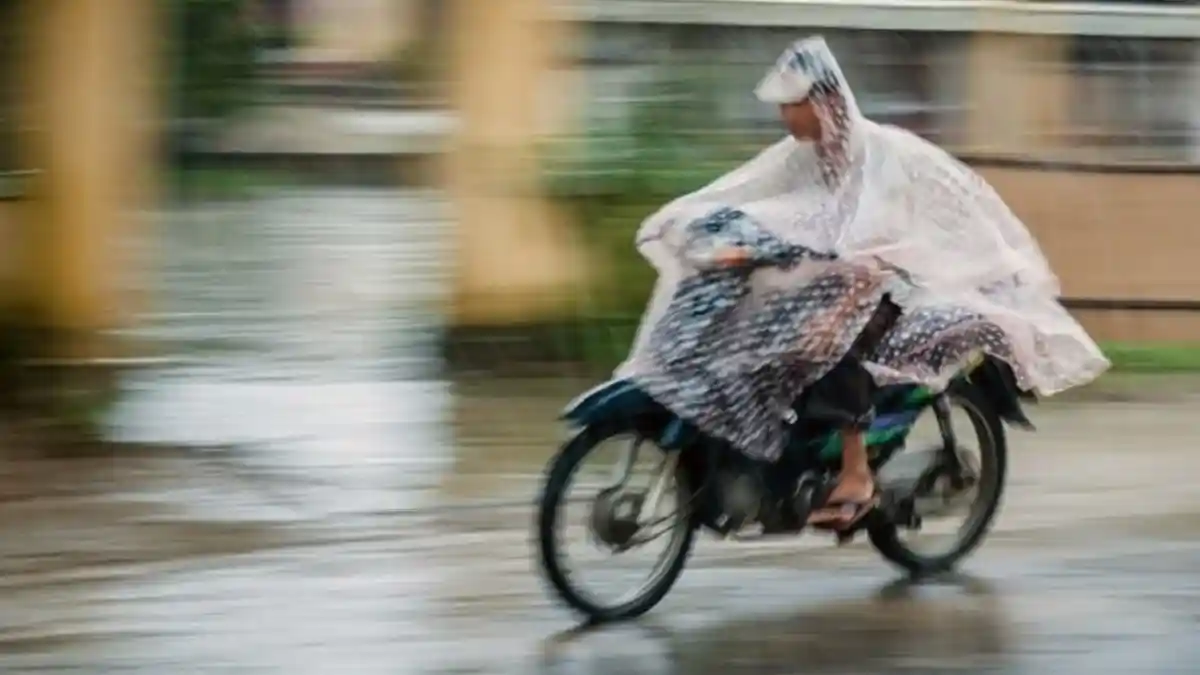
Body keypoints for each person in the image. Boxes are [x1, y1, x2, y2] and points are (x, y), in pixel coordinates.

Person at [617, 36, 1110, 530]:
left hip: (902, 285)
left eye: (795, 103)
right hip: (835, 279)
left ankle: (855, 472)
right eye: (783, 104)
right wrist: (707, 230)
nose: (785, 115)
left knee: (831, 334)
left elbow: (879, 245)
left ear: (827, 101)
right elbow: (754, 199)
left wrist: (838, 303)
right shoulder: (801, 156)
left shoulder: (878, 157)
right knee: (754, 324)